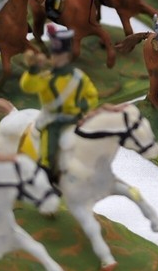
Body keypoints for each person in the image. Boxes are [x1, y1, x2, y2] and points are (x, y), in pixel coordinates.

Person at [20, 26, 99, 181]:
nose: (56, 59)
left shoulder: (79, 77)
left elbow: (93, 96)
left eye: (60, 55)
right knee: (50, 142)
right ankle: (47, 169)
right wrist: (33, 69)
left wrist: (81, 107)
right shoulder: (46, 78)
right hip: (53, 119)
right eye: (54, 55)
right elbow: (28, 86)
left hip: (76, 117)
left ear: (67, 56)